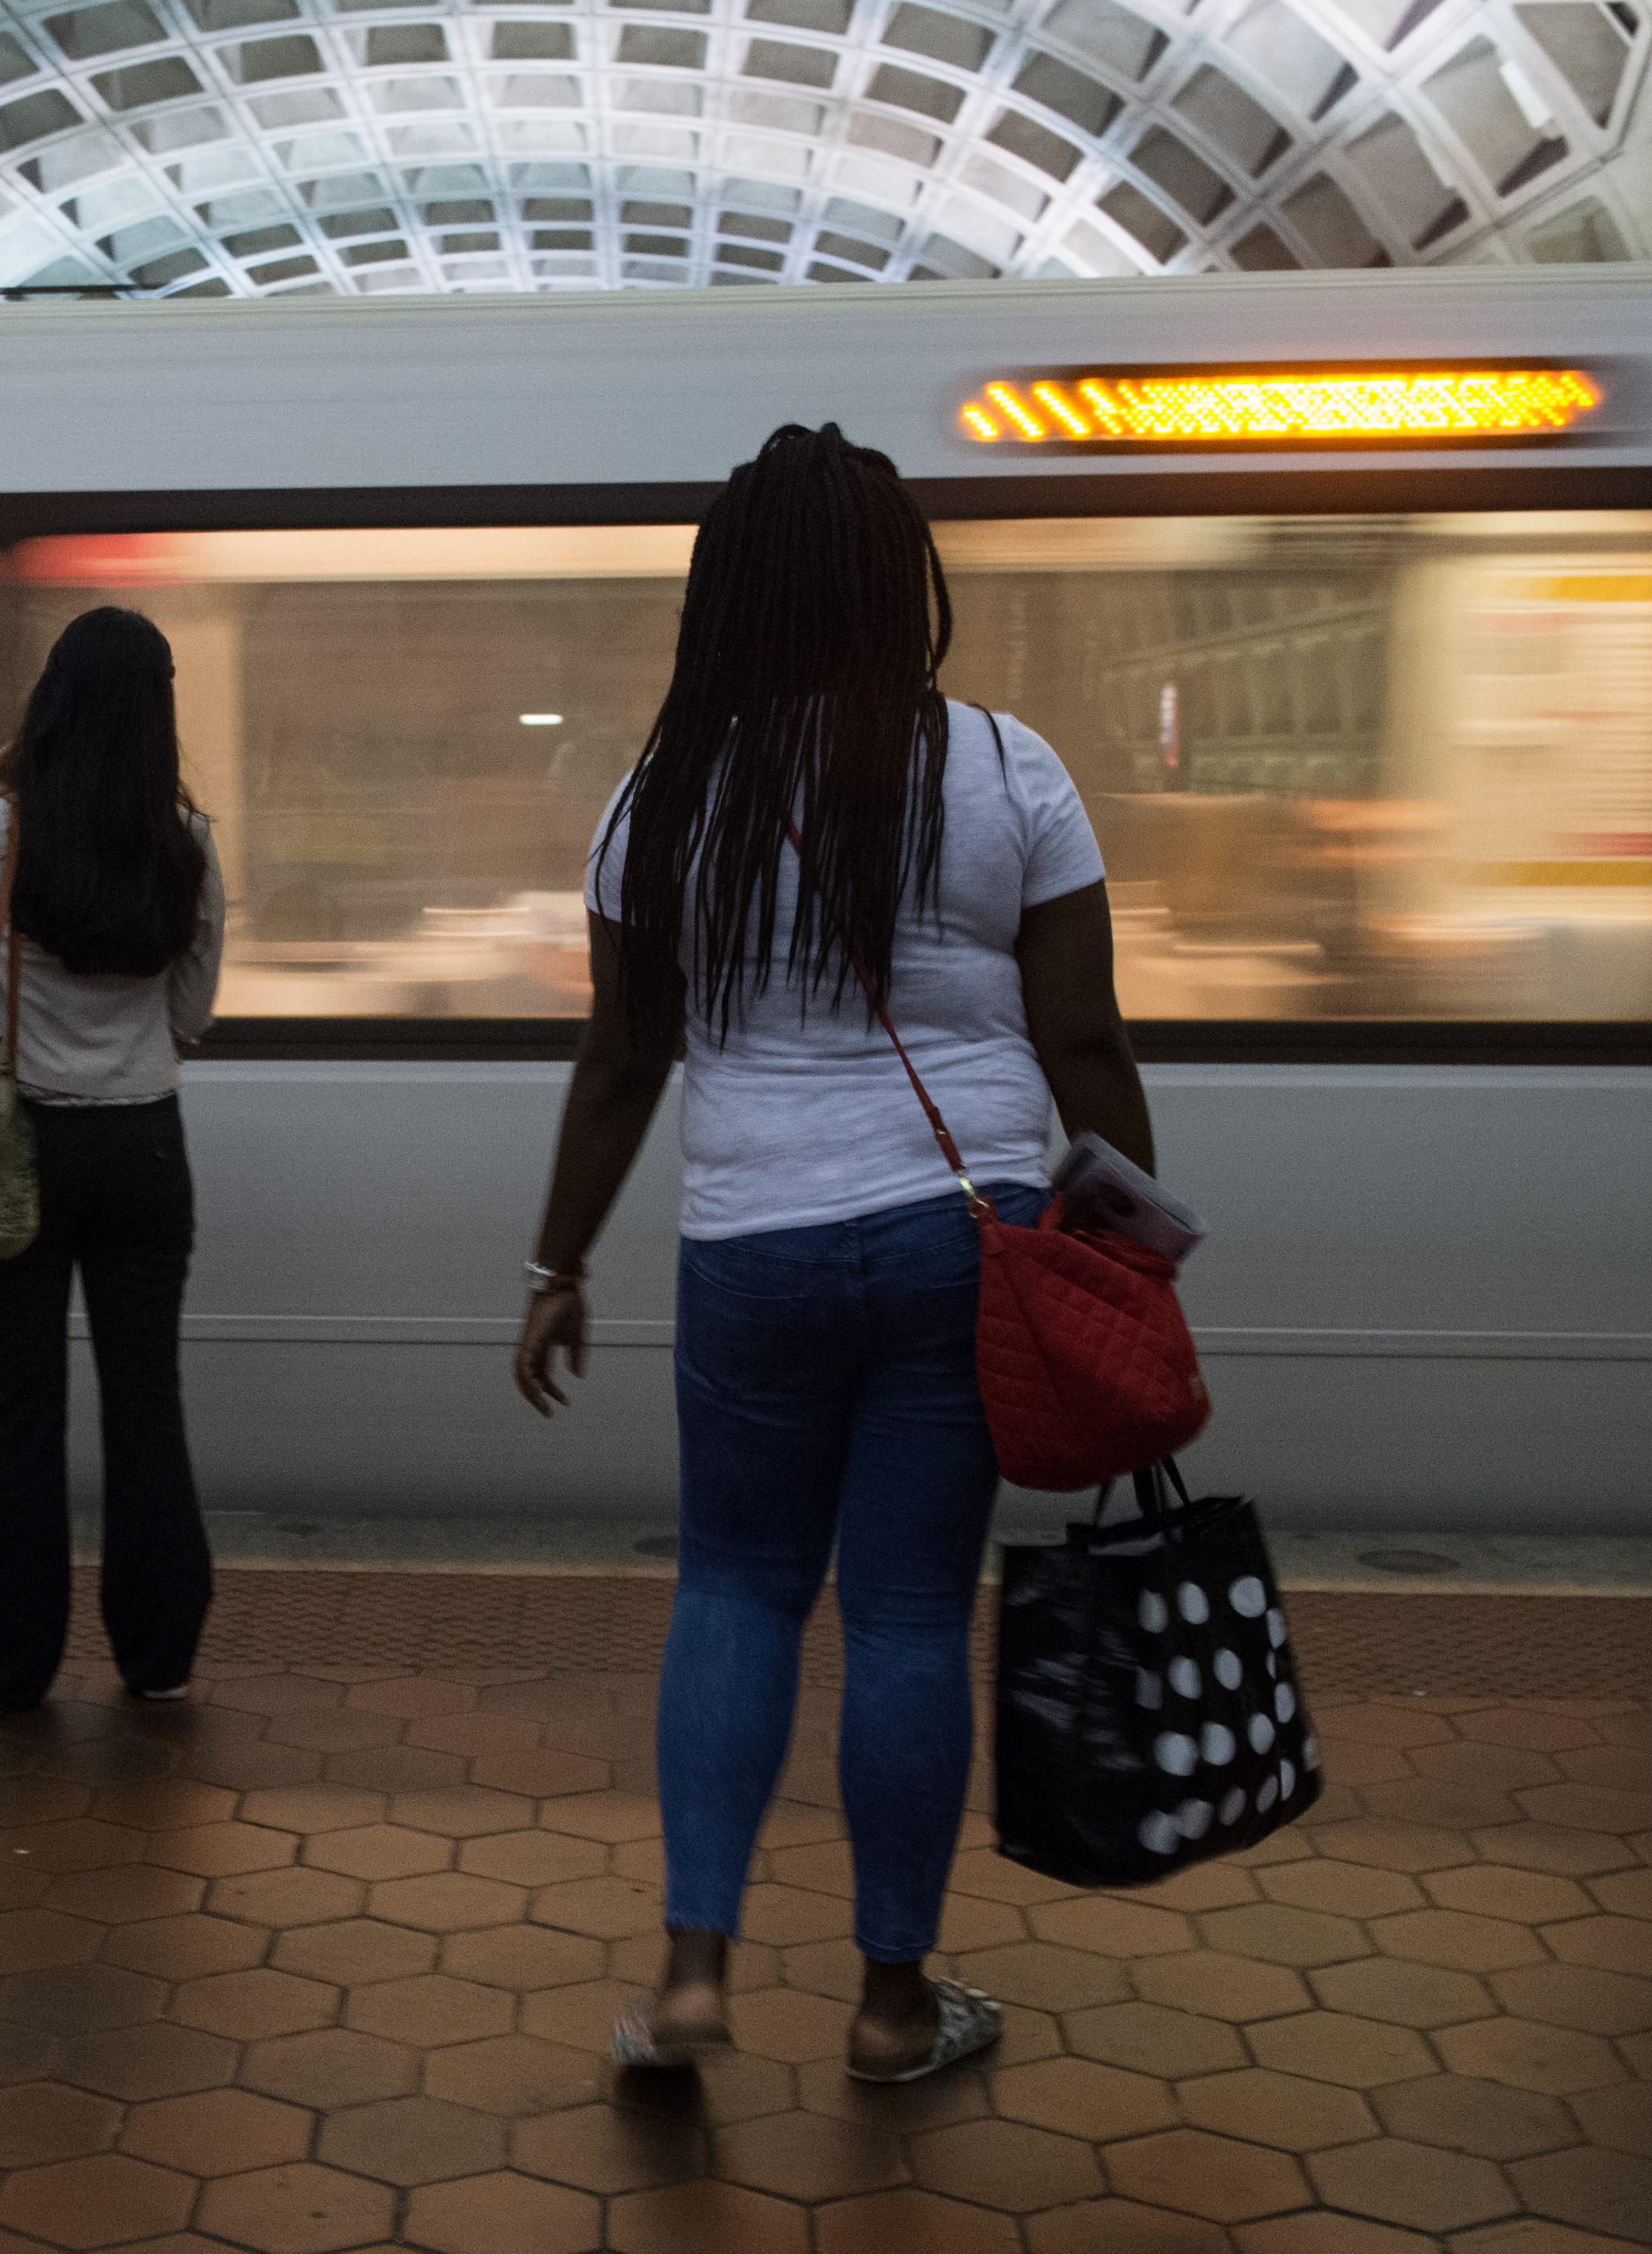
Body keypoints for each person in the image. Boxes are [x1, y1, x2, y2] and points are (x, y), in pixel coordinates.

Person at [510, 424, 1156, 2084]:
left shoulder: (665, 794)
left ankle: (687, 1980)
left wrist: (554, 1265)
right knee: (902, 1621)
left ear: (724, 593)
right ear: (898, 580)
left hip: (752, 1240)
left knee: (730, 1587)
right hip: (968, 1236)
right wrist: (1128, 1246)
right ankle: (885, 2007)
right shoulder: (1006, 768)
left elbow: (617, 1060)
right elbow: (1078, 1040)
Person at [0, 609, 224, 1713]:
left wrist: (18, 749)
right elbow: (189, 1013)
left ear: (49, 706)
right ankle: (156, 1655)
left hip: (19, 1146)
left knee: (21, 1410)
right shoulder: (190, 842)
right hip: (145, 1145)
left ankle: (16, 1661)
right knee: (147, 1403)